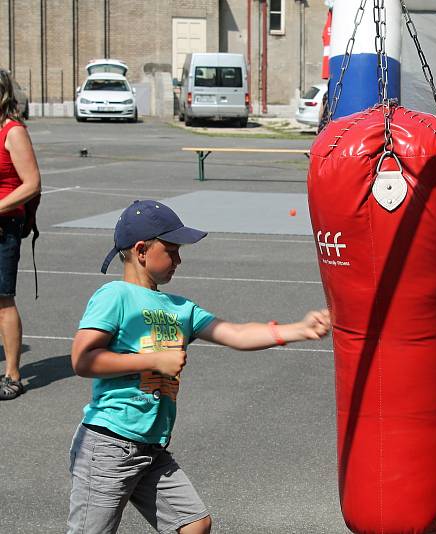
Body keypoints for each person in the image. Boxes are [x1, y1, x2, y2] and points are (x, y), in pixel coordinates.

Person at [67, 200, 331, 534]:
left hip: (150, 447)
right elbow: (83, 359)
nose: (179, 259)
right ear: (141, 250)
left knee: (194, 524)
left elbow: (235, 334)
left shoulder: (180, 309)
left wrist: (298, 329)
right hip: (108, 446)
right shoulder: (114, 296)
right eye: (172, 250)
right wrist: (153, 360)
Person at [0, 69, 42, 400]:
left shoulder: (12, 132)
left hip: (3, 225)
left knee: (2, 299)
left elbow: (31, 183)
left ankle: (13, 374)